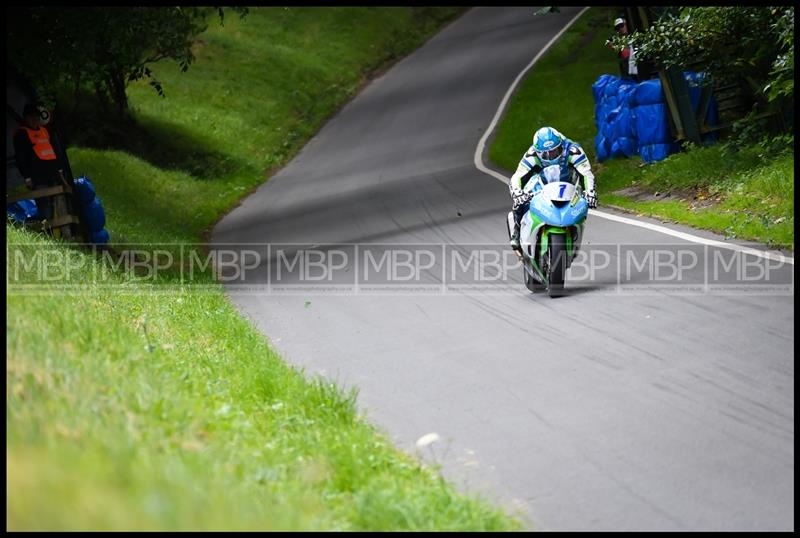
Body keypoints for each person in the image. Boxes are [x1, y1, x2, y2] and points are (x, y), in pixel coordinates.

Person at [508, 126, 597, 251]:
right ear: (538, 152)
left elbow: (586, 173)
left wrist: (591, 193)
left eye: (555, 151)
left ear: (561, 146)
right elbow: (518, 176)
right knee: (523, 196)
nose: (551, 156)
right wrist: (517, 193)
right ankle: (516, 231)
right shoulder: (531, 154)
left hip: (568, 181)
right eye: (545, 154)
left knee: (584, 200)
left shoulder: (573, 150)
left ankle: (576, 228)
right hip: (542, 182)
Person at [13, 103, 63, 220]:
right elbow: (21, 157)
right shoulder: (21, 134)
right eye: (32, 116)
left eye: (37, 116)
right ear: (26, 118)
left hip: (53, 174)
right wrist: (27, 178)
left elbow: (53, 151)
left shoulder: (44, 131)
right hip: (38, 178)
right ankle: (47, 234)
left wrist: (59, 169)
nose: (35, 119)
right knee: (45, 208)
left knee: (59, 206)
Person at [606, 17, 639, 82]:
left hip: (637, 63)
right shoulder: (618, 39)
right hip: (627, 66)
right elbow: (609, 42)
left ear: (625, 24)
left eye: (621, 26)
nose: (620, 28)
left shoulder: (633, 33)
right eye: (618, 28)